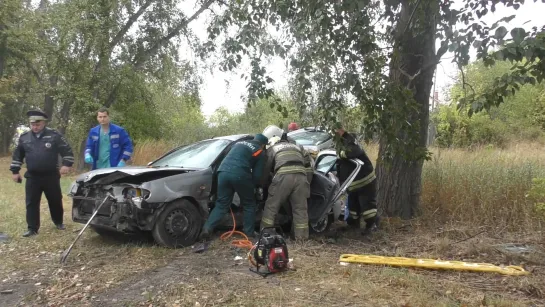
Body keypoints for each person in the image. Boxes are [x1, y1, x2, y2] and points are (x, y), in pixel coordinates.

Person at [10, 110, 75, 237]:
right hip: (33, 176)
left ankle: (58, 222)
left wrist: (66, 165)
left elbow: (67, 150)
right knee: (31, 202)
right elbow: (17, 155)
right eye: (32, 124)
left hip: (50, 175)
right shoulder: (24, 137)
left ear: (44, 123)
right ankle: (32, 228)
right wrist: (15, 172)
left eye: (37, 124)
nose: (35, 127)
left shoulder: (54, 135)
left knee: (55, 200)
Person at [198, 133, 269, 241]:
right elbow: (257, 175)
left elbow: (226, 155)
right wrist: (254, 187)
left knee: (221, 204)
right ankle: (249, 233)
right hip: (240, 174)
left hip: (222, 172)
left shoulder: (238, 143)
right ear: (263, 145)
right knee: (249, 204)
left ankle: (207, 229)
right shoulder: (260, 151)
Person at [260, 128, 313, 240]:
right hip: (301, 177)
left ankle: (266, 234)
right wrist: (307, 182)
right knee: (300, 209)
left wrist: (262, 184)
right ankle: (301, 238)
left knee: (271, 206)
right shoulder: (298, 147)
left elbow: (266, 169)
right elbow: (309, 167)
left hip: (283, 176)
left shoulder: (273, 149)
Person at [333, 124, 378, 236]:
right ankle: (353, 225)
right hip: (354, 183)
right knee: (353, 207)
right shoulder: (341, 142)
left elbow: (355, 152)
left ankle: (372, 225)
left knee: (367, 207)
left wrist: (340, 154)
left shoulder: (350, 140)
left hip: (364, 180)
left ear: (340, 130)